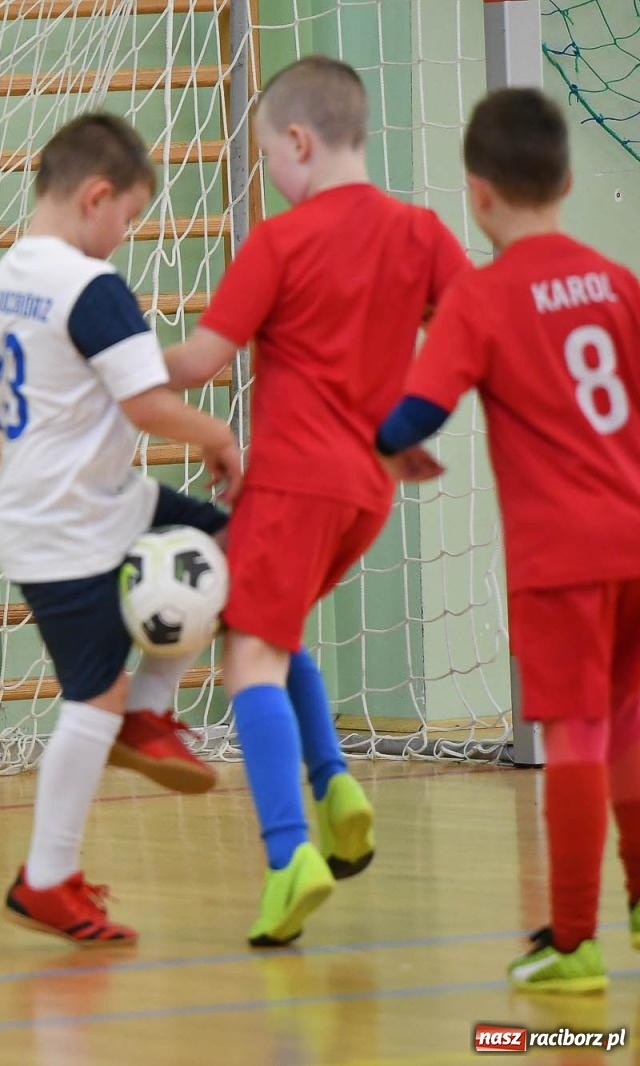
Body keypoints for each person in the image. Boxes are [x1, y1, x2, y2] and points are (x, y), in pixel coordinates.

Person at [161, 56, 471, 946]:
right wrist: (410, 420)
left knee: (248, 655)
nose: (272, 174)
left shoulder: (281, 241)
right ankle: (335, 788)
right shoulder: (421, 232)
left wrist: (108, 369)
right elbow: (470, 324)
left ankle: (289, 852)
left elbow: (200, 363)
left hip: (294, 483)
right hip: (368, 492)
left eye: (268, 156)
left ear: (298, 142)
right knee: (277, 625)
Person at [0, 112, 243, 945]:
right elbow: (144, 403)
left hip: (84, 503)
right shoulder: (90, 285)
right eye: (131, 218)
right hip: (65, 528)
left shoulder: (5, 277)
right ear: (97, 196)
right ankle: (46, 879)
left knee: (230, 544)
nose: (128, 235)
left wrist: (33, 458)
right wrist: (221, 437)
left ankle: (148, 712)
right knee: (92, 698)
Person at [376, 87, 640, 994]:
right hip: (637, 540)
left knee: (574, 737)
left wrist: (398, 445)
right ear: (567, 180)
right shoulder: (618, 284)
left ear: (476, 194)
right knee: (634, 728)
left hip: (560, 556)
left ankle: (574, 942)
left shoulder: (482, 300)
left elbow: (411, 414)